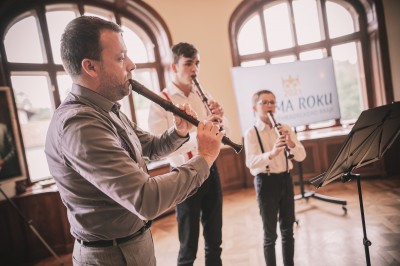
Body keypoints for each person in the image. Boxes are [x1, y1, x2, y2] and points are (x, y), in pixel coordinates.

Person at [45, 16, 223, 266]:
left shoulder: (106, 109)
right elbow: (146, 199)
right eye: (120, 58)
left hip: (133, 244)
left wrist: (179, 132)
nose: (132, 64)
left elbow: (149, 147)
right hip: (110, 255)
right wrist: (205, 158)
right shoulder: (81, 125)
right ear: (90, 67)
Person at [148, 42, 228, 266]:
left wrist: (221, 120)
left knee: (215, 240)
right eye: (188, 63)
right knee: (188, 246)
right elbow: (160, 148)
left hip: (210, 171)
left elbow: (223, 134)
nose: (194, 69)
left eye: (197, 63)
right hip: (184, 174)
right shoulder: (161, 101)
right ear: (174, 67)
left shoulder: (204, 96)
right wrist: (200, 135)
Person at [244, 90, 306, 266]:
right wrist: (271, 154)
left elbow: (301, 156)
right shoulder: (251, 133)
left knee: (288, 231)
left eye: (272, 102)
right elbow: (251, 162)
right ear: (254, 108)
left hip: (286, 179)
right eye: (264, 102)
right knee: (270, 235)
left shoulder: (285, 128)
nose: (269, 106)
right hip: (266, 182)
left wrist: (291, 142)